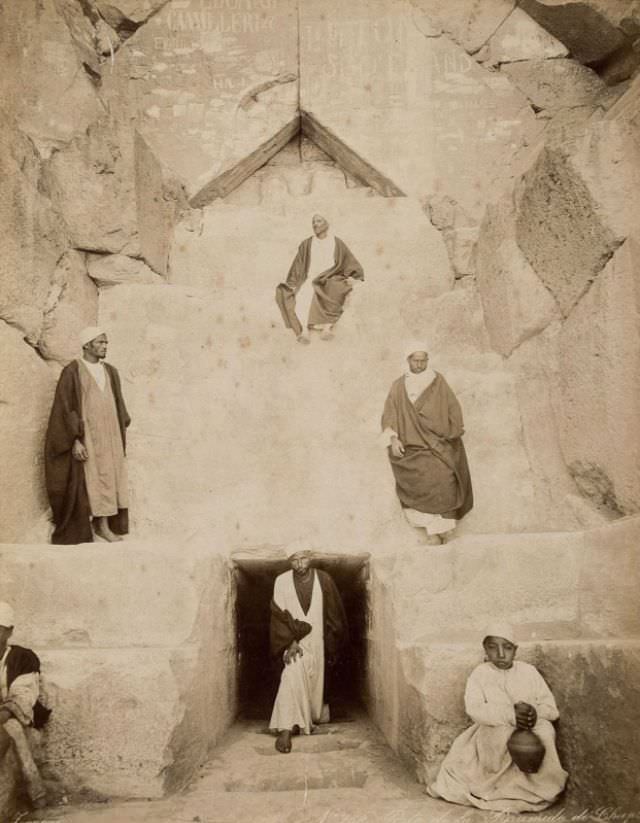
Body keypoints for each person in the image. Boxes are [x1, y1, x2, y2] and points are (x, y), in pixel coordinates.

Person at [428, 623, 568, 813]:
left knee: (545, 731)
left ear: (515, 650)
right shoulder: (480, 674)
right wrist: (509, 716)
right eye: (493, 647)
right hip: (493, 725)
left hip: (529, 724)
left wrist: (534, 714)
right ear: (485, 649)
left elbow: (551, 709)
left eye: (507, 647)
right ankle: (497, 788)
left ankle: (537, 788)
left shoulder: (528, 671)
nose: (501, 654)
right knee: (500, 735)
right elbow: (474, 709)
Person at [45, 326, 131, 545]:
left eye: (106, 343)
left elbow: (118, 404)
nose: (105, 347)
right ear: (87, 345)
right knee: (92, 479)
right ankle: (95, 525)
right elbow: (65, 408)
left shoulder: (110, 371)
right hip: (88, 437)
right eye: (100, 342)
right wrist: (74, 439)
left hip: (109, 435)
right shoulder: (72, 371)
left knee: (111, 478)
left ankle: (104, 526)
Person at [381, 342, 473, 544]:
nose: (420, 365)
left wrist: (452, 431)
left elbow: (452, 407)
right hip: (412, 447)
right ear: (408, 360)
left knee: (445, 478)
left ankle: (443, 529)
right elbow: (390, 414)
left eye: (424, 360)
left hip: (438, 443)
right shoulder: (398, 386)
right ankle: (432, 531)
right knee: (418, 480)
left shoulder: (437, 380)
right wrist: (394, 439)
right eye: (416, 360)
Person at [269, 548, 347, 753]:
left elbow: (335, 616)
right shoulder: (281, 581)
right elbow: (278, 615)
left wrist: (331, 646)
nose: (299, 564)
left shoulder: (324, 579)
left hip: (319, 642)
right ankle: (286, 728)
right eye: (294, 560)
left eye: (303, 558)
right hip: (294, 642)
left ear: (310, 558)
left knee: (316, 695)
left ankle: (306, 718)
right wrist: (289, 642)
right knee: (291, 674)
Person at [275, 214, 364, 344]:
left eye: (319, 221)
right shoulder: (307, 243)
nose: (315, 224)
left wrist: (354, 277)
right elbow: (298, 264)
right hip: (310, 276)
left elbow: (348, 260)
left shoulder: (336, 242)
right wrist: (292, 282)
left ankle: (327, 328)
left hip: (330, 275)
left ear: (327, 223)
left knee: (336, 287)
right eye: (313, 222)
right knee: (304, 293)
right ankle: (303, 331)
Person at [0, 602, 50, 810]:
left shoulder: (23, 658)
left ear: (9, 631)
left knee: (8, 733)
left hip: (14, 719)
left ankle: (28, 795)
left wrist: (4, 712)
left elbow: (23, 697)